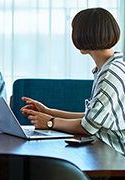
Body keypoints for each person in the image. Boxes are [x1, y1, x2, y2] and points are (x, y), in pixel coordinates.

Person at [21, 7, 125, 156]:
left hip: (116, 158)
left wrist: (50, 122)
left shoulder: (110, 75)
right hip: (106, 153)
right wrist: (48, 111)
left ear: (86, 34)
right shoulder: (109, 69)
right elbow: (91, 118)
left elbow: (88, 127)